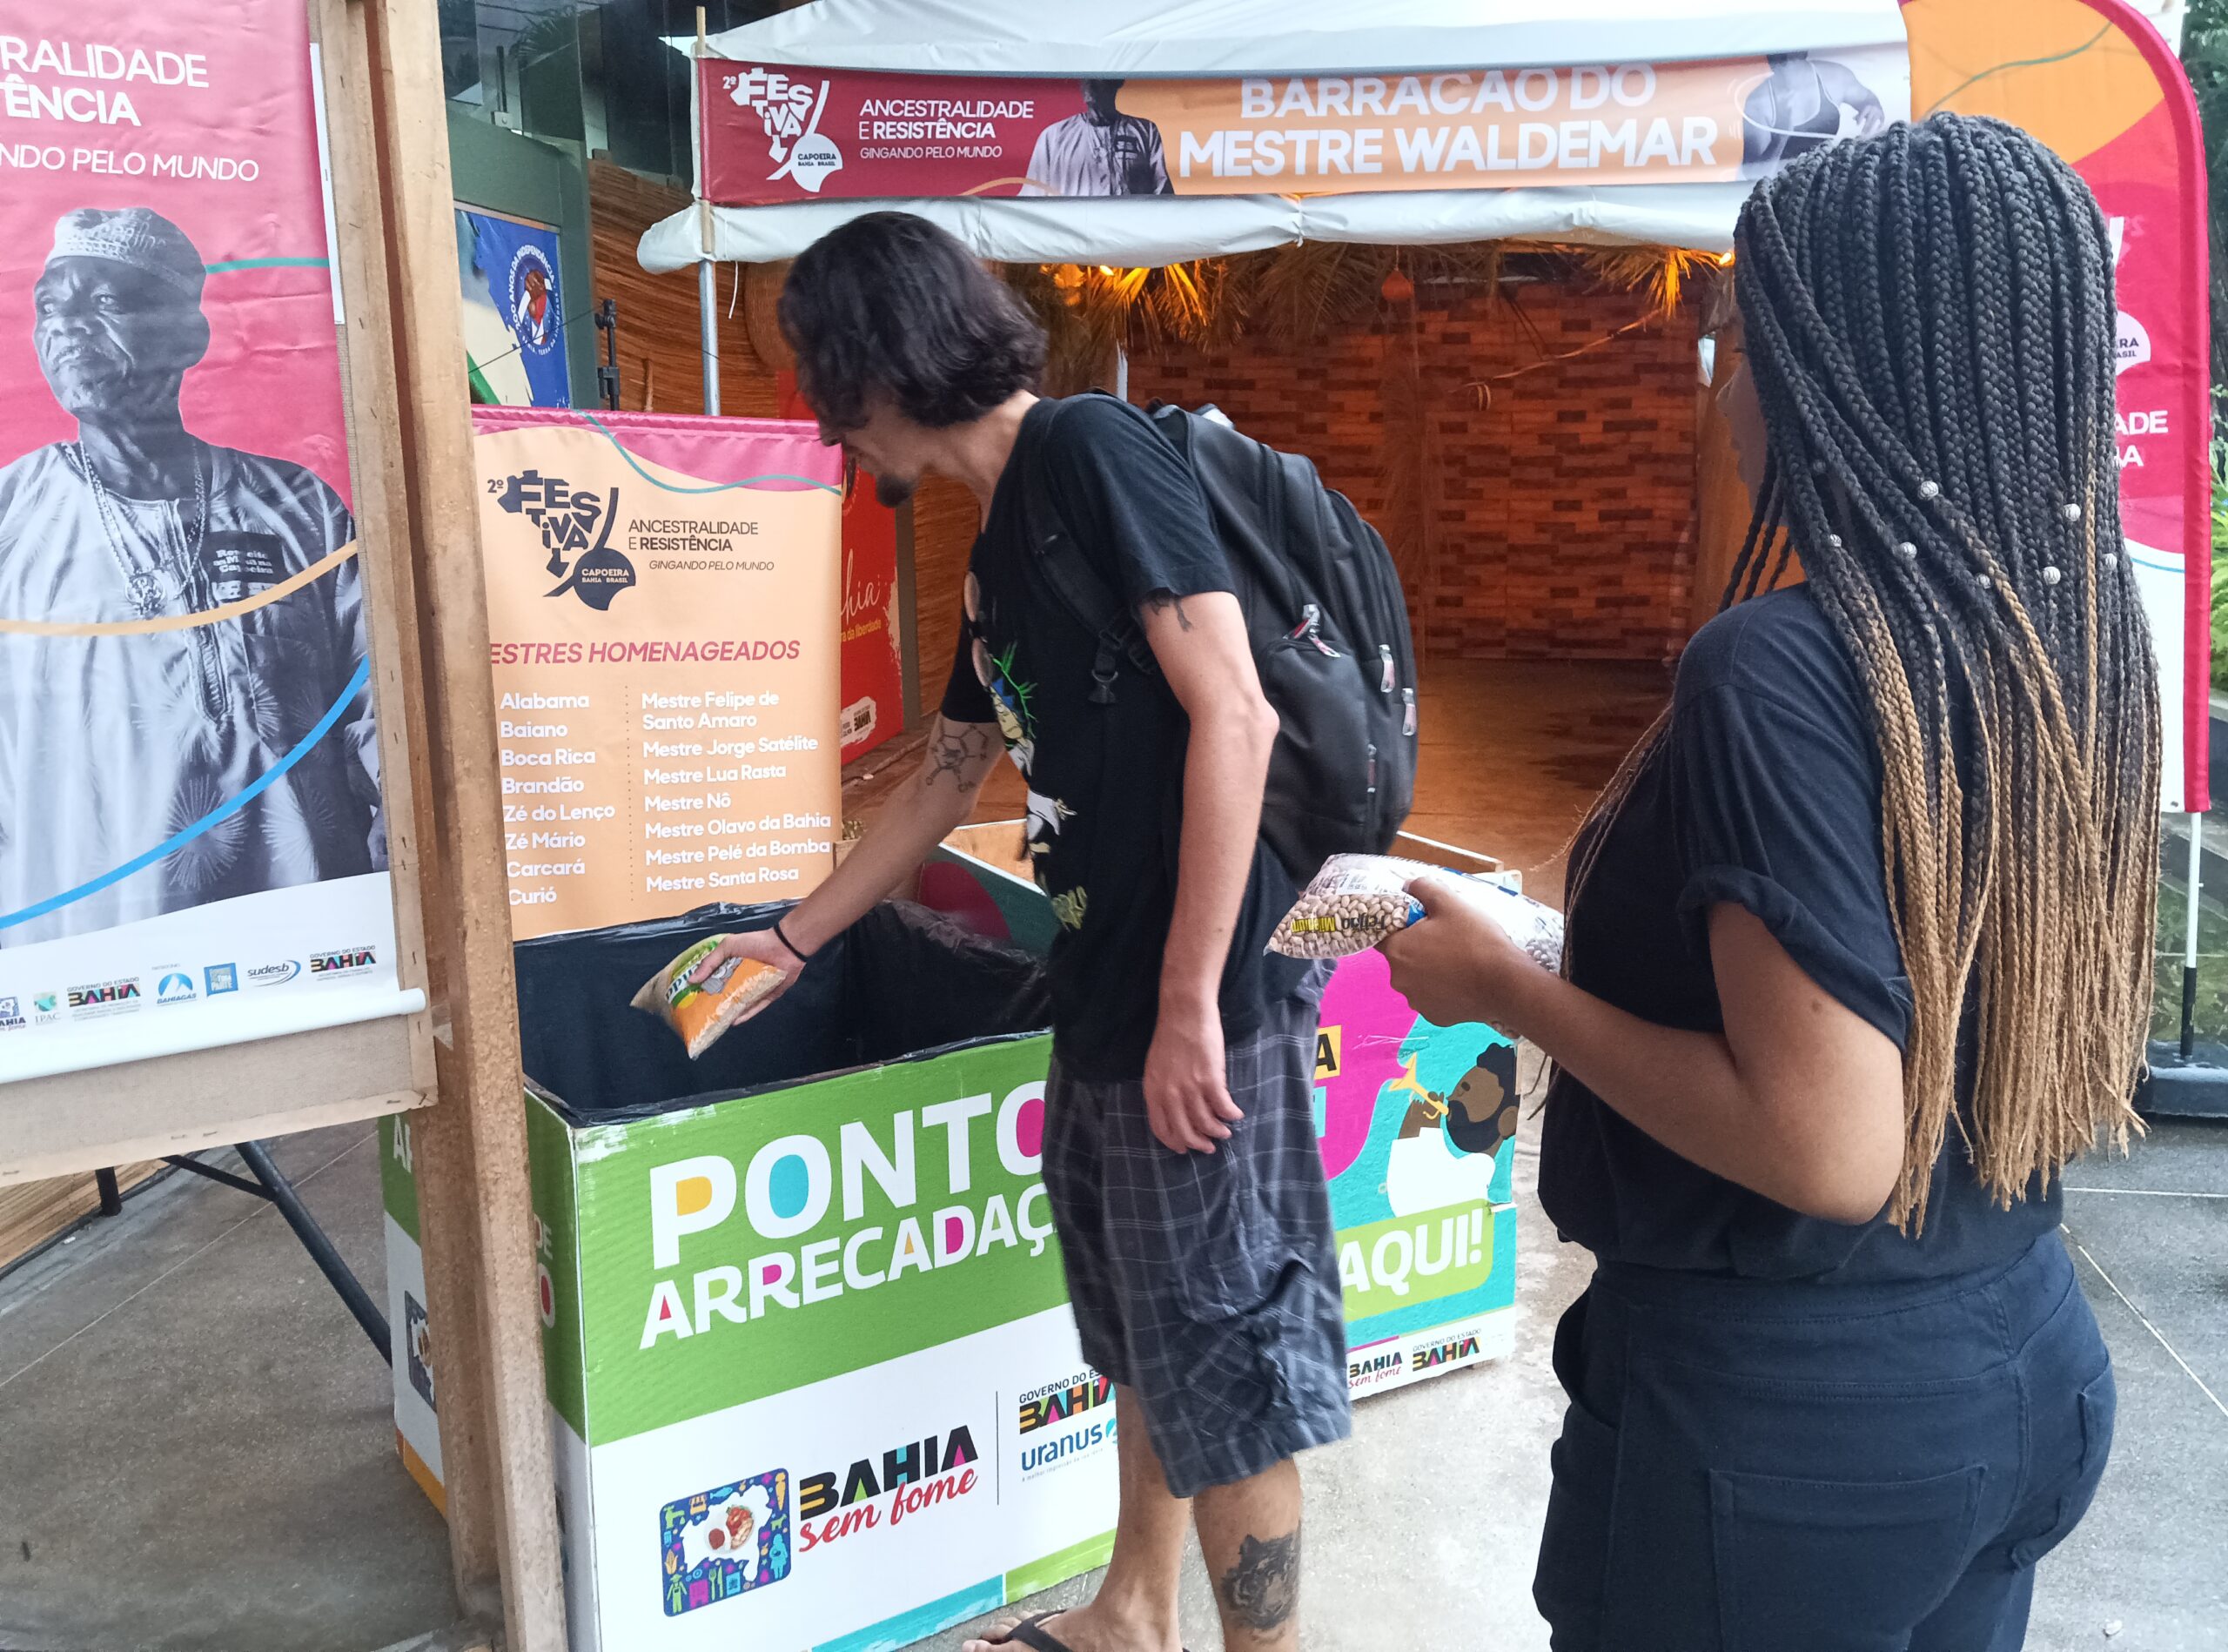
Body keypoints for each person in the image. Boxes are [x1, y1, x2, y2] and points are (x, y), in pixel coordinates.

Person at [1386, 113, 2147, 1650]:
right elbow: (1900, 969)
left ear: (1838, 374)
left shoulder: (1780, 665)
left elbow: (1825, 1145)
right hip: (2017, 1363)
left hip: (1788, 1442)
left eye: (1749, 341)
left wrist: (1508, 989)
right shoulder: (2071, 639)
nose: (1729, 391)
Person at [692, 212, 1346, 1652]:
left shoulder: (1092, 455)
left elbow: (1233, 710)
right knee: (1144, 1331)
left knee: (1225, 1362)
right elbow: (946, 772)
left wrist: (1187, 1004)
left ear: (881, 361)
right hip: (1107, 981)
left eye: (820, 372)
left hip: (1205, 994)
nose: (820, 413)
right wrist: (792, 938)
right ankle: (1133, 1609)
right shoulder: (998, 546)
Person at [0, 206, 382, 945]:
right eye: (51, 306)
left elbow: (382, 717)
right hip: (86, 961)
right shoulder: (12, 517)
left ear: (189, 335)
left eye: (105, 301)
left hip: (309, 945)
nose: (67, 326)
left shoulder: (298, 508)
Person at [1741, 51, 1886, 176]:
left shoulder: (1835, 77)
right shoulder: (1758, 103)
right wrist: (1781, 135)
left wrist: (1874, 107)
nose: (1788, 62)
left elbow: (1867, 98)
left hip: (1827, 179)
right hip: (1786, 192)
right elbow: (1754, 175)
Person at [1021, 80, 1173, 198]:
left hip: (1128, 233)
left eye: (1097, 77)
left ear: (1117, 81)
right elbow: (1033, 198)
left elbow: (1162, 194)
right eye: (1085, 78)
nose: (1090, 84)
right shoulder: (1054, 136)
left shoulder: (1145, 131)